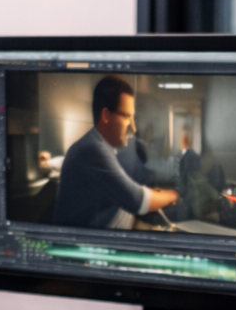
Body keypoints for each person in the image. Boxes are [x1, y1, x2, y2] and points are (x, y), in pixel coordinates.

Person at [52, 74, 178, 228]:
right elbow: (137, 201)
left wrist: (154, 194)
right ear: (106, 115)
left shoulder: (102, 146)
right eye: (127, 117)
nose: (133, 127)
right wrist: (171, 196)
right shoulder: (94, 149)